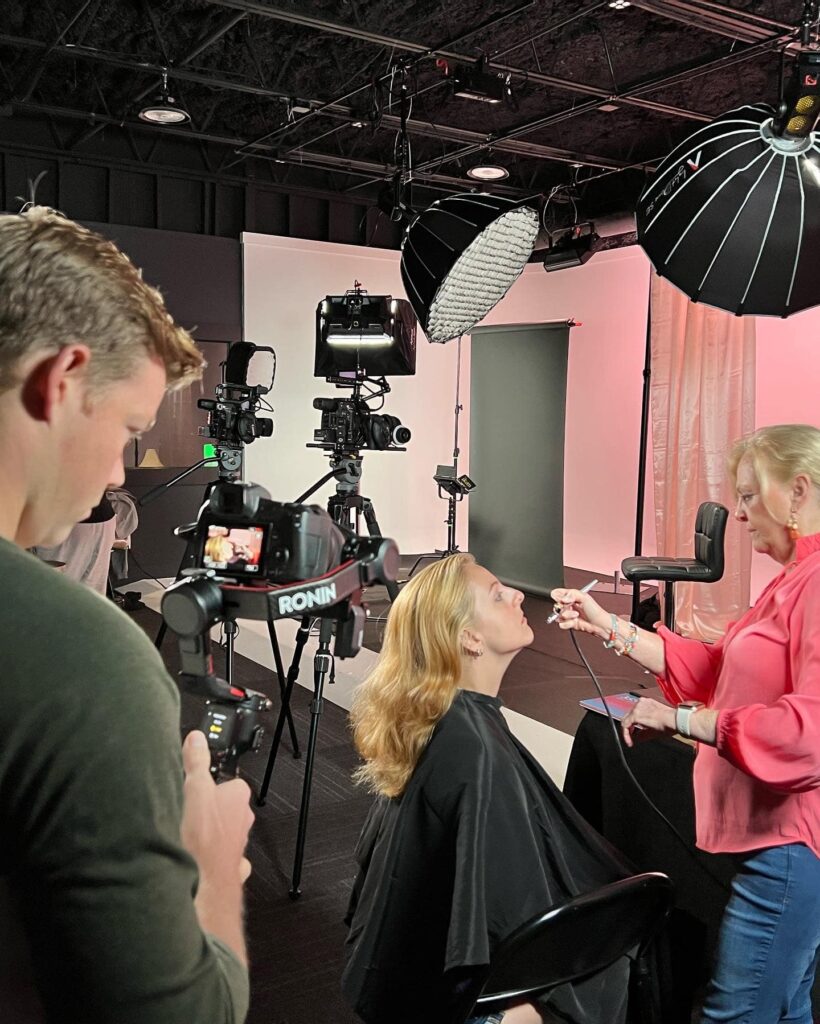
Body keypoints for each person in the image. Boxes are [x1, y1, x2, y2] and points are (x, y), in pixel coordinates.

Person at [0, 207, 254, 1023]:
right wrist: (212, 871)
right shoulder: (83, 664)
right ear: (63, 380)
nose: (118, 468)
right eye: (128, 430)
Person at [551, 423, 820, 1024]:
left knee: (736, 1013)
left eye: (750, 496)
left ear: (798, 491)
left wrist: (684, 721)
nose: (742, 516)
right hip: (775, 845)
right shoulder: (793, 580)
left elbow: (810, 735)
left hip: (792, 847)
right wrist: (610, 626)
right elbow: (722, 671)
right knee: (787, 1009)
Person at [342, 553, 633, 1024]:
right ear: (469, 637)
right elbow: (499, 907)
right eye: (498, 596)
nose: (520, 594)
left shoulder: (445, 723)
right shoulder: (471, 746)